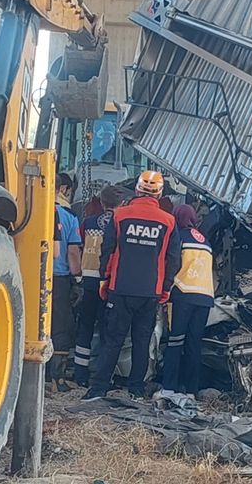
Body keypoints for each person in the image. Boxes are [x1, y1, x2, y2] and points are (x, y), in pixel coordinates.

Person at [83, 171, 181, 401]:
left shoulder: (119, 216)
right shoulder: (168, 222)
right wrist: (165, 289)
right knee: (142, 341)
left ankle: (98, 389)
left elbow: (107, 251)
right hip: (151, 292)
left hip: (120, 288)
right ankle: (136, 389)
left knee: (112, 340)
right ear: (160, 193)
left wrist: (104, 280)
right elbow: (174, 259)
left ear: (137, 190)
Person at [155, 204, 215, 400]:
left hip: (182, 294)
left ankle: (169, 388)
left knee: (175, 341)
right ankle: (191, 390)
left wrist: (164, 290)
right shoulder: (205, 240)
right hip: (205, 297)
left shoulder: (177, 237)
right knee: (194, 344)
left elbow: (171, 264)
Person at [73, 185, 125, 387]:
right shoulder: (121, 223)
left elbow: (81, 246)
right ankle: (103, 376)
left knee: (85, 326)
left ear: (101, 203)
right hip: (109, 281)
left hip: (89, 280)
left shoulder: (88, 222)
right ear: (120, 204)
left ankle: (80, 374)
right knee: (107, 329)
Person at [51, 173, 82, 392]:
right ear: (62, 189)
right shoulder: (69, 217)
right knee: (60, 327)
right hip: (59, 279)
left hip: (27, 277)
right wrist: (78, 277)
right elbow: (72, 252)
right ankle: (57, 379)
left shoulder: (25, 209)